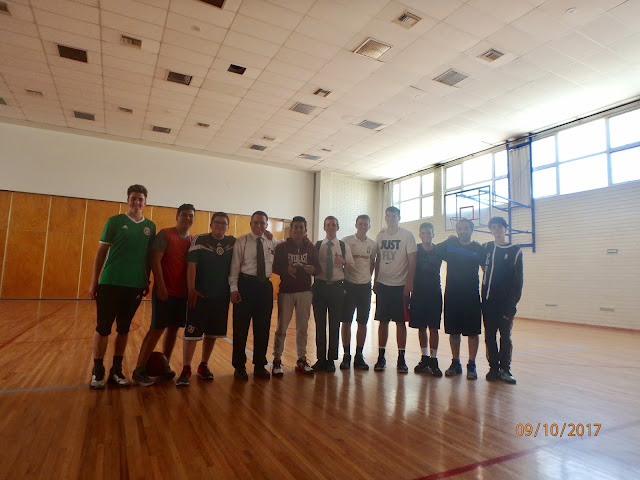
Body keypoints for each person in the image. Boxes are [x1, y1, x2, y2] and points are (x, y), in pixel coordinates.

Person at [88, 184, 156, 389]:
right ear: (127, 200)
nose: (137, 202)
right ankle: (98, 371)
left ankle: (116, 370)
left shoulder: (150, 227)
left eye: (140, 199)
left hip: (134, 285)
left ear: (145, 202)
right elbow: (101, 252)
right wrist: (94, 281)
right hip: (110, 282)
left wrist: (146, 279)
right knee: (103, 327)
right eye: (133, 198)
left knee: (124, 328)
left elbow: (148, 257)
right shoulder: (115, 221)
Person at [132, 204, 195, 386]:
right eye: (184, 215)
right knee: (157, 329)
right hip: (164, 293)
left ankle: (164, 366)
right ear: (177, 216)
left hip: (181, 294)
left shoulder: (192, 240)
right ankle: (139, 369)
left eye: (191, 215)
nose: (188, 218)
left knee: (173, 329)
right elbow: (155, 260)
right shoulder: (165, 234)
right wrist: (160, 286)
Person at [175, 212, 235, 386]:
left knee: (212, 333)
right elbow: (191, 265)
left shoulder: (233, 242)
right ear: (211, 224)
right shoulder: (199, 240)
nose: (220, 225)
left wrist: (268, 235)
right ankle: (186, 368)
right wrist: (191, 289)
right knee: (192, 333)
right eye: (217, 222)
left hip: (221, 297)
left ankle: (203, 365)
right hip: (200, 296)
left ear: (227, 226)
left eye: (223, 223)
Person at [230, 211, 278, 380]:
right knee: (240, 328)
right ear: (250, 223)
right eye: (256, 222)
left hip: (265, 287)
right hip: (245, 285)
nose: (259, 226)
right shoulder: (242, 241)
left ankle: (259, 364)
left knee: (263, 328)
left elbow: (285, 247)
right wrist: (234, 288)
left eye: (262, 223)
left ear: (266, 225)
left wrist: (273, 237)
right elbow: (235, 266)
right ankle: (239, 366)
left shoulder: (272, 242)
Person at [271, 216, 320, 377]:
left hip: (305, 292)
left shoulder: (311, 248)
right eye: (296, 227)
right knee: (282, 327)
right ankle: (277, 359)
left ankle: (301, 359)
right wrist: (286, 270)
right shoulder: (282, 247)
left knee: (302, 327)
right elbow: (275, 267)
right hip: (286, 292)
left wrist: (312, 270)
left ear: (305, 230)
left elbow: (318, 269)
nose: (298, 230)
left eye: (301, 227)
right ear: (291, 230)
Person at [438, 218, 485, 380]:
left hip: (471, 297)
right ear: (457, 231)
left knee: (473, 333)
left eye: (466, 228)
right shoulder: (450, 245)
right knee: (453, 332)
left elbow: (486, 270)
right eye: (460, 228)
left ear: (471, 230)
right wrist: (447, 239)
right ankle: (455, 363)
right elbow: (434, 249)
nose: (463, 231)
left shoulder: (478, 248)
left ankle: (472, 365)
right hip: (452, 295)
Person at [373, 206, 417, 374]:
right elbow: (377, 259)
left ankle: (401, 358)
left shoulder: (407, 235)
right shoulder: (380, 236)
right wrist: (375, 279)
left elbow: (412, 260)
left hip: (400, 286)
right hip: (383, 284)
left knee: (400, 322)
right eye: (388, 216)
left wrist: (409, 282)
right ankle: (381, 357)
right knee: (383, 321)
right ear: (385, 218)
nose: (391, 218)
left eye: (394, 216)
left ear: (399, 217)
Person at [481, 216, 523, 384]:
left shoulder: (515, 250)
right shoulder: (486, 247)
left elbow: (518, 281)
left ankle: (505, 369)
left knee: (505, 336)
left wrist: (512, 305)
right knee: (489, 336)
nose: (497, 229)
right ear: (491, 230)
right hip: (488, 302)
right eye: (494, 227)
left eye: (500, 226)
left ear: (505, 229)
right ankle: (493, 368)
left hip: (505, 304)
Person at [312, 216, 354, 372]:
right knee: (320, 324)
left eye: (334, 225)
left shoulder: (343, 246)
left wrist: (343, 262)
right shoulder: (317, 246)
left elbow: (351, 267)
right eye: (328, 225)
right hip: (320, 287)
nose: (331, 227)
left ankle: (331, 360)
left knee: (335, 324)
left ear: (337, 227)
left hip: (337, 288)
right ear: (324, 228)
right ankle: (320, 359)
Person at [340, 214, 377, 370]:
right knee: (346, 321)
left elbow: (372, 263)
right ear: (356, 225)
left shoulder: (373, 244)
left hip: (365, 288)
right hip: (349, 286)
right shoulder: (346, 241)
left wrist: (368, 279)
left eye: (365, 224)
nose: (363, 226)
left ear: (369, 226)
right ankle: (346, 355)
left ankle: (359, 356)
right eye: (360, 224)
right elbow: (340, 261)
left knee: (362, 322)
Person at [409, 222, 444, 377]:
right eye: (423, 232)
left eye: (429, 232)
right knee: (421, 327)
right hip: (418, 294)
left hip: (434, 293)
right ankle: (424, 358)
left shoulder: (439, 250)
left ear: (433, 234)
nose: (426, 235)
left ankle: (434, 360)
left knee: (434, 328)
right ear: (420, 235)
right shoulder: (415, 250)